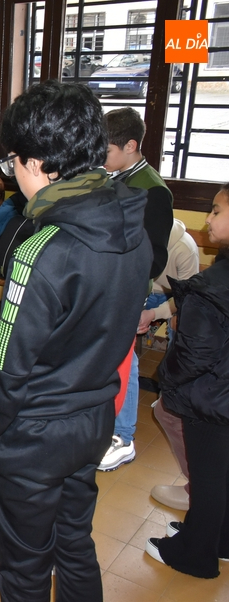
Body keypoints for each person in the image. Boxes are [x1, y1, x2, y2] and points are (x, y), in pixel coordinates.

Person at [0, 81, 151, 601]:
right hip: (92, 419)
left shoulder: (44, 246)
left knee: (23, 569)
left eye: (11, 161)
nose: (10, 173)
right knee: (73, 545)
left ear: (36, 162)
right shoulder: (133, 224)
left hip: (32, 438)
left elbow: (9, 365)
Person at [145, 184, 229, 579]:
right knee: (222, 472)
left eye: (216, 211)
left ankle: (195, 555)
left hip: (212, 398)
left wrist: (167, 379)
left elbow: (194, 355)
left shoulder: (213, 288)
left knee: (209, 476)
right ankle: (219, 540)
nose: (208, 219)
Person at [98, 106, 175, 472]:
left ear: (130, 146)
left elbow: (155, 256)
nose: (101, 157)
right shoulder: (111, 177)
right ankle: (106, 421)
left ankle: (123, 436)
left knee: (124, 356)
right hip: (105, 281)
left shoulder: (153, 191)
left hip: (127, 287)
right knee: (111, 354)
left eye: (107, 150)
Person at [148, 218, 200, 511]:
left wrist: (157, 313)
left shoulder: (183, 248)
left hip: (172, 296)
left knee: (180, 331)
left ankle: (171, 392)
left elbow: (188, 298)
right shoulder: (138, 231)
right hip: (147, 290)